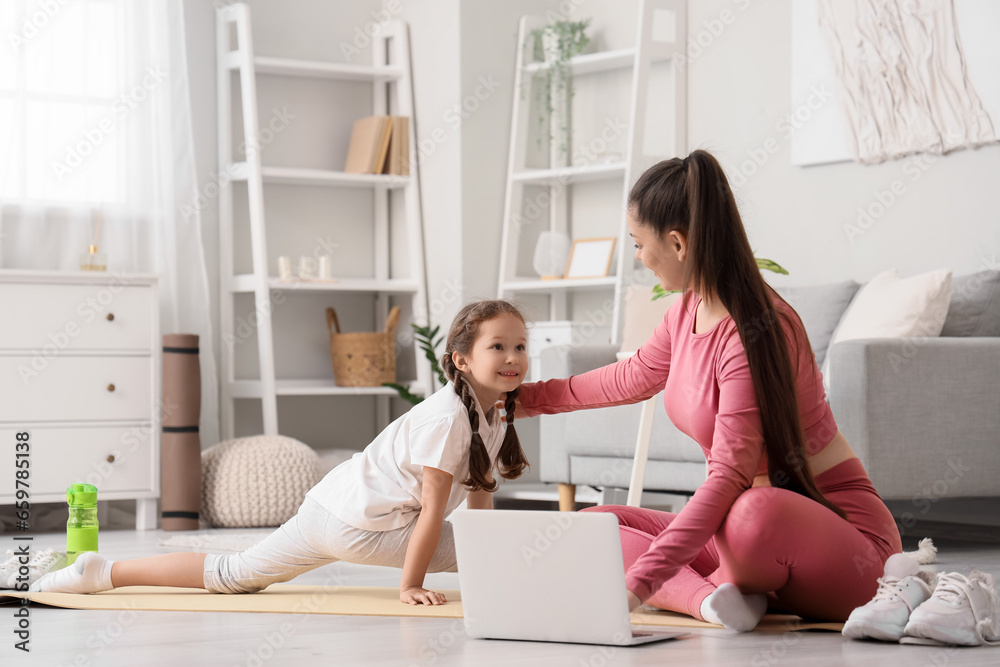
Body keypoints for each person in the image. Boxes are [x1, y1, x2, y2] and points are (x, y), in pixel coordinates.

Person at [516, 149, 902, 631]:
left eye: (639, 244)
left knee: (750, 513)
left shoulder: (757, 330)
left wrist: (636, 587)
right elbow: (630, 377)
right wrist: (521, 401)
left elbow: (728, 478)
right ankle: (711, 600)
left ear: (677, 243)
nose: (639, 258)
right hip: (743, 540)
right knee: (594, 526)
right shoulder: (686, 311)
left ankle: (708, 587)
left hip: (847, 542)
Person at [34, 300, 530, 606]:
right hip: (359, 526)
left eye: (521, 347)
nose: (513, 358)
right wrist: (411, 585)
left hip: (328, 509)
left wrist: (481, 553)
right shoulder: (447, 420)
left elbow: (479, 498)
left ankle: (100, 572)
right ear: (461, 360)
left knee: (234, 574)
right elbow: (434, 515)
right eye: (498, 347)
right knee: (500, 547)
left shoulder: (492, 413)